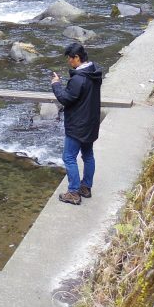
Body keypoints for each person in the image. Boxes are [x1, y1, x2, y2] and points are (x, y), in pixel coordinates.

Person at [50, 43, 104, 206]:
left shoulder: (78, 79)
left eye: (69, 58)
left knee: (68, 157)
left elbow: (65, 98)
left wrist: (56, 84)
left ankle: (73, 192)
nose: (68, 61)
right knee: (88, 155)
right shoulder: (94, 72)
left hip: (77, 125)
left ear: (77, 58)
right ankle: (86, 187)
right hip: (91, 122)